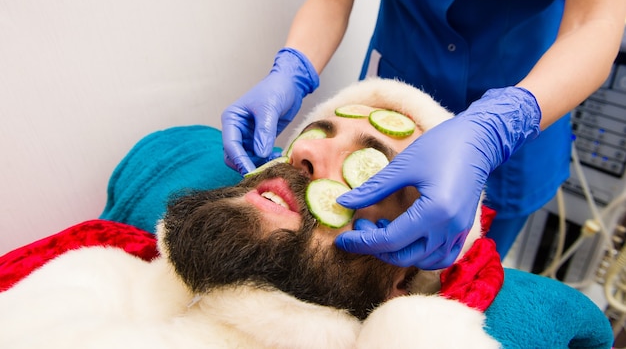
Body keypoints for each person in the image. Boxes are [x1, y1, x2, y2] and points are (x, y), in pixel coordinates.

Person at [0, 78, 501, 349]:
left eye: (370, 172)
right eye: (319, 131)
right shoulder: (90, 271)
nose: (302, 156)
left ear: (401, 278)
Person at [221, 0, 626, 267]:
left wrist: (497, 127)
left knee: (458, 280)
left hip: (523, 117)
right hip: (389, 99)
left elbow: (597, 22)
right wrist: (292, 69)